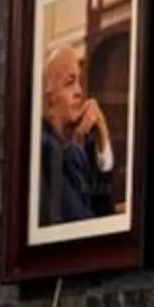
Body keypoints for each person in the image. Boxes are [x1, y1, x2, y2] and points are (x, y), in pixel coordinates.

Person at [39, 42, 116, 225]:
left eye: (79, 81)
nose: (80, 92)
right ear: (48, 99)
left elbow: (105, 219)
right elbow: (81, 225)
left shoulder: (76, 152)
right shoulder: (45, 148)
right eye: (70, 82)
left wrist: (102, 137)